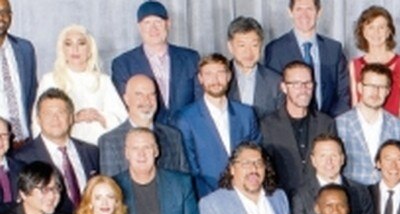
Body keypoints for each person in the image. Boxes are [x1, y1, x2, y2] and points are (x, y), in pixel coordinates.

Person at [174, 54, 261, 198]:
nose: (215, 80)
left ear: (229, 76)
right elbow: (189, 167)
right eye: (208, 74)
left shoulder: (246, 114)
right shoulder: (185, 118)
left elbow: (256, 156)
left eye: (220, 73)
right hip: (207, 198)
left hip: (247, 195)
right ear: (200, 79)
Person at [12, 88, 100, 214]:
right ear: (38, 119)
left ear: (70, 118)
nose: (55, 118)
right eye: (48, 113)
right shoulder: (22, 158)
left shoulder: (92, 152)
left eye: (61, 112)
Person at [109, 1, 199, 122]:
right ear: (139, 27)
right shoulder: (123, 64)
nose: (153, 28)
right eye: (147, 23)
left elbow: (200, 101)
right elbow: (124, 108)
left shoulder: (190, 58)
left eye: (158, 22)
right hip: (148, 136)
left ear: (168, 24)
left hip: (186, 135)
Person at [35, 25, 127, 145]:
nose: (75, 49)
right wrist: (73, 118)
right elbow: (38, 121)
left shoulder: (104, 81)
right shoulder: (50, 80)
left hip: (99, 148)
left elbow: (122, 120)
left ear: (90, 50)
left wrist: (99, 116)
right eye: (68, 44)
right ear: (62, 50)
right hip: (64, 149)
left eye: (81, 43)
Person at [259, 60, 336, 194]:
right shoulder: (267, 125)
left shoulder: (326, 123)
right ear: (284, 87)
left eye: (307, 83)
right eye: (296, 84)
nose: (303, 90)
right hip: (282, 200)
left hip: (319, 200)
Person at [262, 0, 349, 117]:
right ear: (290, 12)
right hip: (291, 126)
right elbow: (274, 94)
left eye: (309, 9)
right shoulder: (276, 49)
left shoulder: (334, 49)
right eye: (299, 9)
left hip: (329, 126)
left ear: (319, 12)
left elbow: (344, 93)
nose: (304, 15)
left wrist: (330, 123)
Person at [98, 74, 189, 177]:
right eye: (139, 95)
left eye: (152, 94)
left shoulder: (173, 136)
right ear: (126, 99)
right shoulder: (110, 142)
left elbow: (184, 182)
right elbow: (111, 188)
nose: (146, 101)